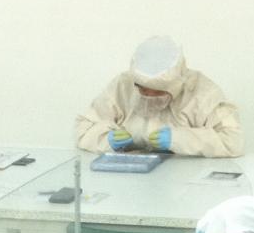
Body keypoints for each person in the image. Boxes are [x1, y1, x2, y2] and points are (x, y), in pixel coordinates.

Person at [75, 35, 244, 158]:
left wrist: (180, 139)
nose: (149, 96)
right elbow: (83, 129)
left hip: (185, 181)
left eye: (157, 92)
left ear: (175, 84)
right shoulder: (123, 86)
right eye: (143, 89)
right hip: (128, 178)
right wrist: (105, 140)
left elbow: (232, 141)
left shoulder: (202, 92)